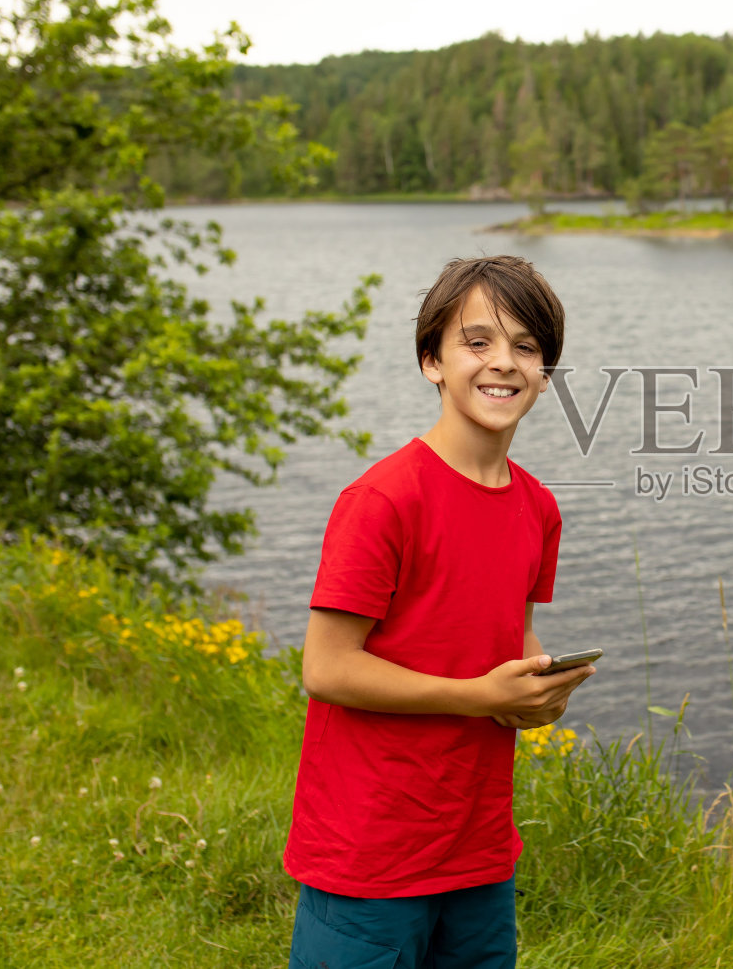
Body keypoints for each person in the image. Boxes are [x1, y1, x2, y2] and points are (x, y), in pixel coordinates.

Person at [284, 255, 595, 969]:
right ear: (432, 361)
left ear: (545, 374)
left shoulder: (537, 506)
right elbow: (326, 668)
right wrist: (477, 696)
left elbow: (507, 635)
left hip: (478, 846)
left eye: (525, 345)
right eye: (477, 341)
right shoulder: (385, 500)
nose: (504, 363)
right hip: (370, 849)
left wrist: (534, 695)